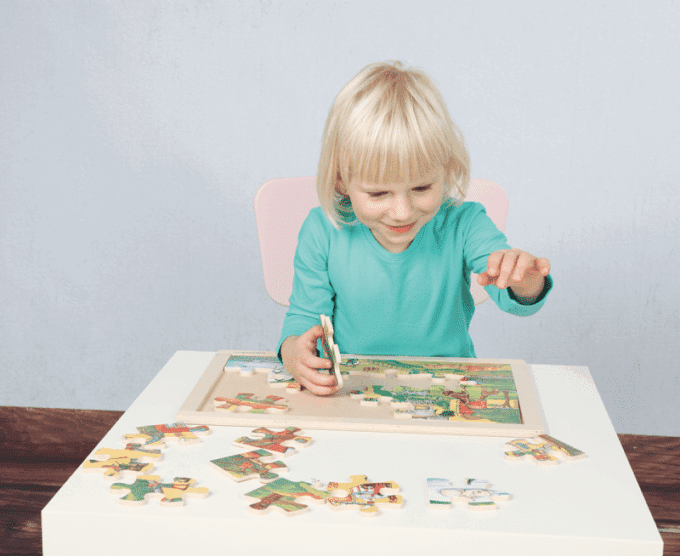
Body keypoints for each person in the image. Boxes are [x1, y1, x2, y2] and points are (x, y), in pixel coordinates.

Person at [278, 61, 553, 396]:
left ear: (445, 171)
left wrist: (524, 278)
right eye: (378, 193)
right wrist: (294, 355)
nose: (402, 212)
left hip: (449, 392)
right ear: (341, 180)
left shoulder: (465, 224)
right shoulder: (322, 230)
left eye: (422, 188)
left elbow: (517, 296)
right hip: (351, 390)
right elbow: (304, 318)